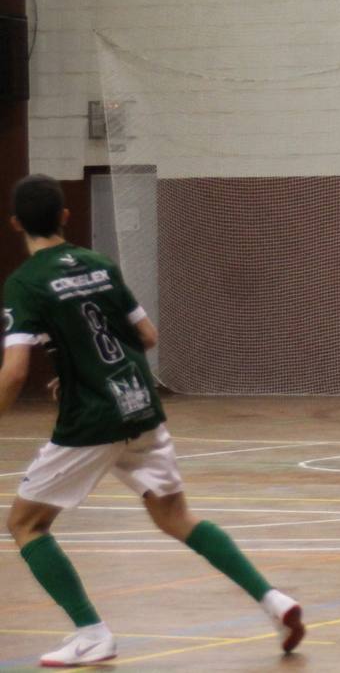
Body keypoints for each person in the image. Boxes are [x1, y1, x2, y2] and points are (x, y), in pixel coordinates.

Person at [1, 175, 304, 667]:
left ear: (16, 222)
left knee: (26, 523)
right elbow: (146, 333)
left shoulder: (25, 283)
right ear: (65, 217)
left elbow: (14, 373)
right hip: (140, 403)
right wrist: (89, 368)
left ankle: (92, 632)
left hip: (93, 419)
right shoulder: (101, 264)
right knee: (175, 517)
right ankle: (275, 602)